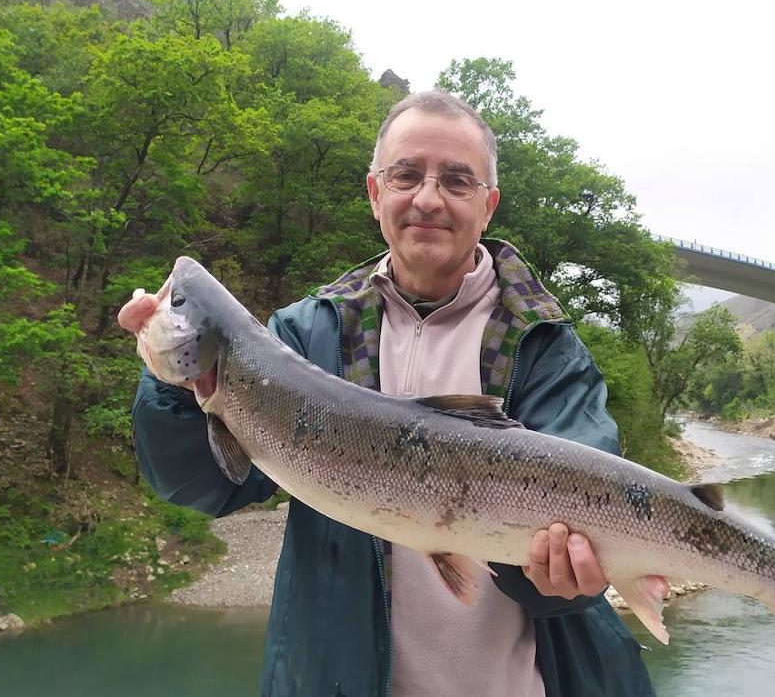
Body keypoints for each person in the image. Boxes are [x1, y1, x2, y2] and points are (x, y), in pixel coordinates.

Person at [119, 91, 662, 697]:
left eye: (457, 180)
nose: (428, 198)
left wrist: (561, 579)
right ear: (376, 193)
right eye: (406, 175)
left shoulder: (547, 346)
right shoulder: (302, 337)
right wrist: (172, 385)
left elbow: (588, 527)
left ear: (488, 206)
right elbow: (203, 486)